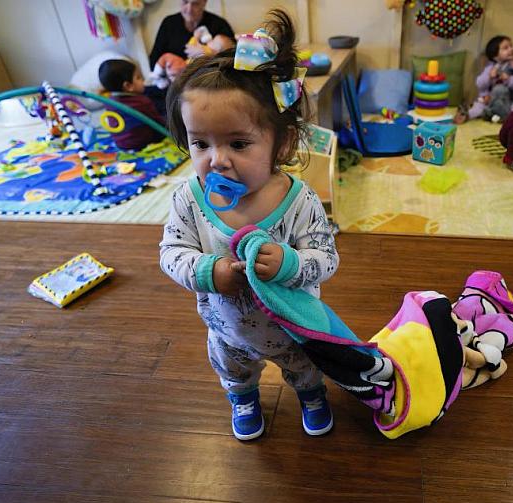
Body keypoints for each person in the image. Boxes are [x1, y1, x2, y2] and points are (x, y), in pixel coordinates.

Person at [159, 10, 338, 442]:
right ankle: (244, 397)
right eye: (200, 143)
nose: (216, 159)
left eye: (238, 144)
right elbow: (170, 252)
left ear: (284, 143)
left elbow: (326, 259)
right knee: (234, 371)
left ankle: (312, 395)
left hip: (294, 327)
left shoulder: (300, 201)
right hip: (227, 329)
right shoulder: (189, 198)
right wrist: (207, 271)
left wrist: (290, 264)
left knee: (306, 369)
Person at [146, 0, 236, 114]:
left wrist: (209, 53)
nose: (189, 8)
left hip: (207, 86)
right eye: (185, 2)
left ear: (204, 3)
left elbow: (233, 59)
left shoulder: (219, 24)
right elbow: (154, 58)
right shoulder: (169, 23)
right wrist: (168, 72)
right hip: (173, 86)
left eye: (195, 3)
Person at [97, 59, 166, 150]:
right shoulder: (142, 101)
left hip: (121, 144)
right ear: (128, 86)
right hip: (143, 142)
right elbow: (158, 123)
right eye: (138, 77)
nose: (143, 79)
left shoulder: (109, 102)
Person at [460, 35, 513, 123]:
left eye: (511, 46)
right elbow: (479, 84)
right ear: (495, 55)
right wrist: (489, 77)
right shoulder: (490, 67)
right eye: (506, 48)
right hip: (488, 99)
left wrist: (509, 79)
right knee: (478, 108)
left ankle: (501, 117)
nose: (511, 49)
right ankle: (466, 115)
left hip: (506, 101)